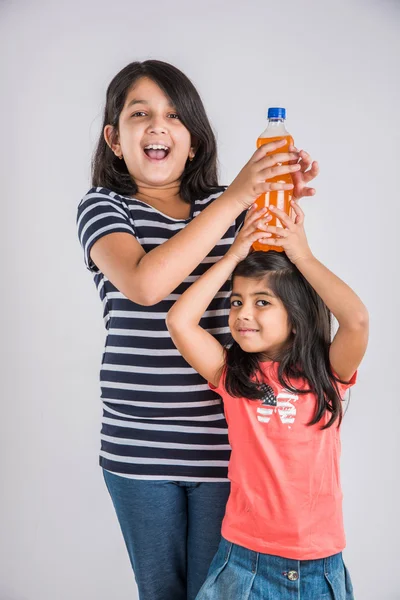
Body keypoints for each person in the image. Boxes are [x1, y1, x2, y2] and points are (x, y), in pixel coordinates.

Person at [76, 59, 318, 600]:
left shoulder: (225, 205)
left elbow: (280, 288)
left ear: (194, 140)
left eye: (174, 116)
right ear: (115, 138)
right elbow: (145, 284)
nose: (158, 125)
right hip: (138, 450)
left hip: (228, 445)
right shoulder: (104, 207)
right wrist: (238, 198)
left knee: (222, 591)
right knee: (161, 591)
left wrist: (283, 196)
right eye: (141, 114)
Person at [166, 200, 369, 599]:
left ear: (295, 316)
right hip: (244, 562)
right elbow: (179, 320)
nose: (243, 313)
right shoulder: (233, 376)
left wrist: (302, 256)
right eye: (237, 301)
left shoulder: (328, 375)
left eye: (263, 302)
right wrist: (235, 254)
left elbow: (356, 320)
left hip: (318, 564)